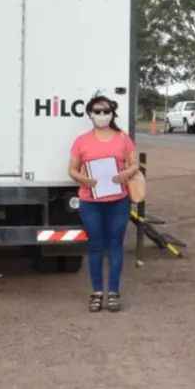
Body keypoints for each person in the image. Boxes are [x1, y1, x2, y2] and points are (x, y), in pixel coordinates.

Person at [68, 95, 140, 313]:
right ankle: (97, 292)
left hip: (118, 202)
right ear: (90, 114)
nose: (101, 115)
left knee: (116, 245)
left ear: (112, 113)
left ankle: (114, 292)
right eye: (97, 111)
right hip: (90, 202)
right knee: (96, 246)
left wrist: (125, 174)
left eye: (105, 111)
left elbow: (134, 164)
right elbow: (72, 169)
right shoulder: (81, 141)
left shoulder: (123, 138)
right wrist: (83, 179)